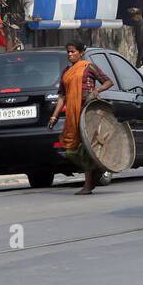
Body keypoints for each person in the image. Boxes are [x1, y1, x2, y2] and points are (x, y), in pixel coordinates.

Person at [48, 42, 113, 194]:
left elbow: (108, 81)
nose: (70, 55)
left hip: (88, 114)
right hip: (72, 114)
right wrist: (54, 116)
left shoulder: (88, 67)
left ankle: (88, 185)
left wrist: (97, 90)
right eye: (68, 52)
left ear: (81, 52)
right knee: (71, 150)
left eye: (72, 52)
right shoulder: (66, 71)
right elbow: (62, 97)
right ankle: (96, 170)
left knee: (85, 148)